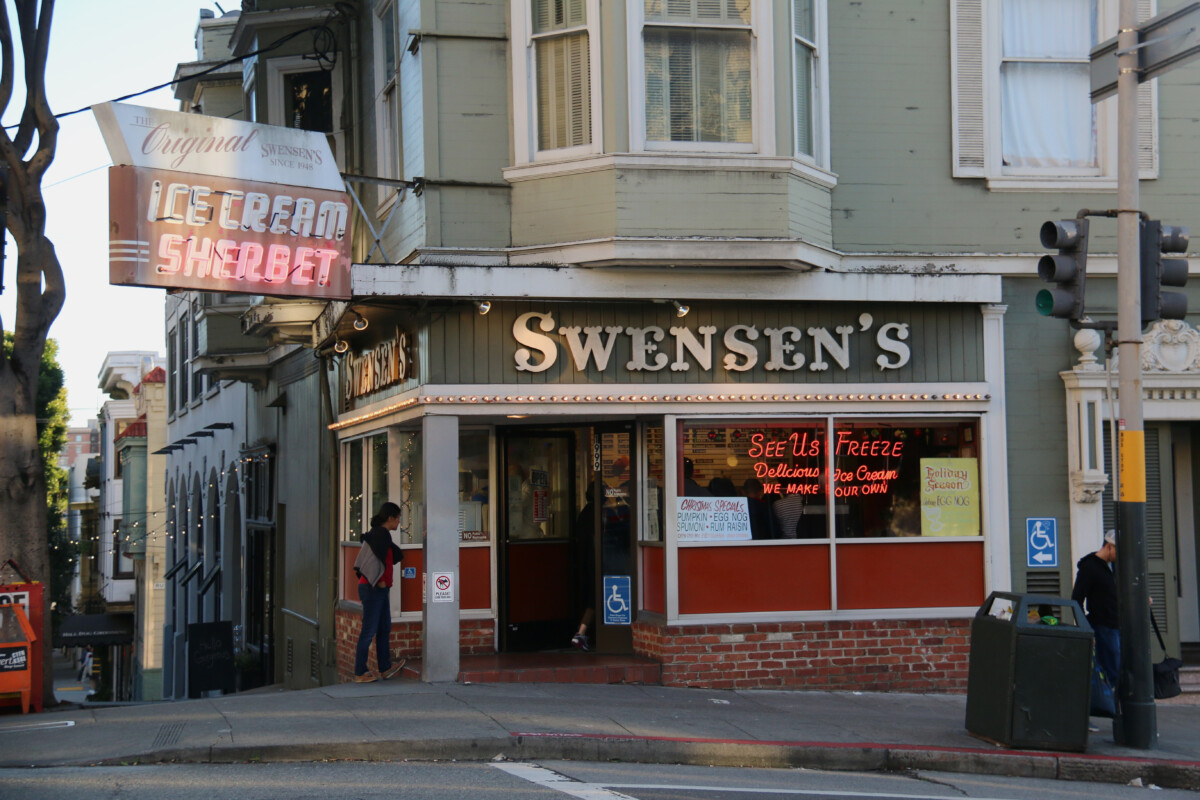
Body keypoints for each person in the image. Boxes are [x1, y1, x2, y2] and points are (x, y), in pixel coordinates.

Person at [352, 501, 406, 683]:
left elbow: (391, 555)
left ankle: (385, 667)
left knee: (383, 628)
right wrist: (381, 582)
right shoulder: (380, 535)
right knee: (369, 630)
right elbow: (379, 560)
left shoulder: (380, 535)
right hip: (373, 588)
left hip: (375, 588)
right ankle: (360, 672)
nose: (399, 523)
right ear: (391, 518)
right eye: (398, 518)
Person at [1072, 529, 1120, 691]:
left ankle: (1115, 705)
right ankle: (1113, 706)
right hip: (1103, 626)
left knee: (1117, 667)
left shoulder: (1111, 568)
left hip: (1115, 625)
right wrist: (1086, 629)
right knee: (1111, 669)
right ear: (1108, 547)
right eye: (1117, 551)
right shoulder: (1089, 568)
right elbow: (1076, 599)